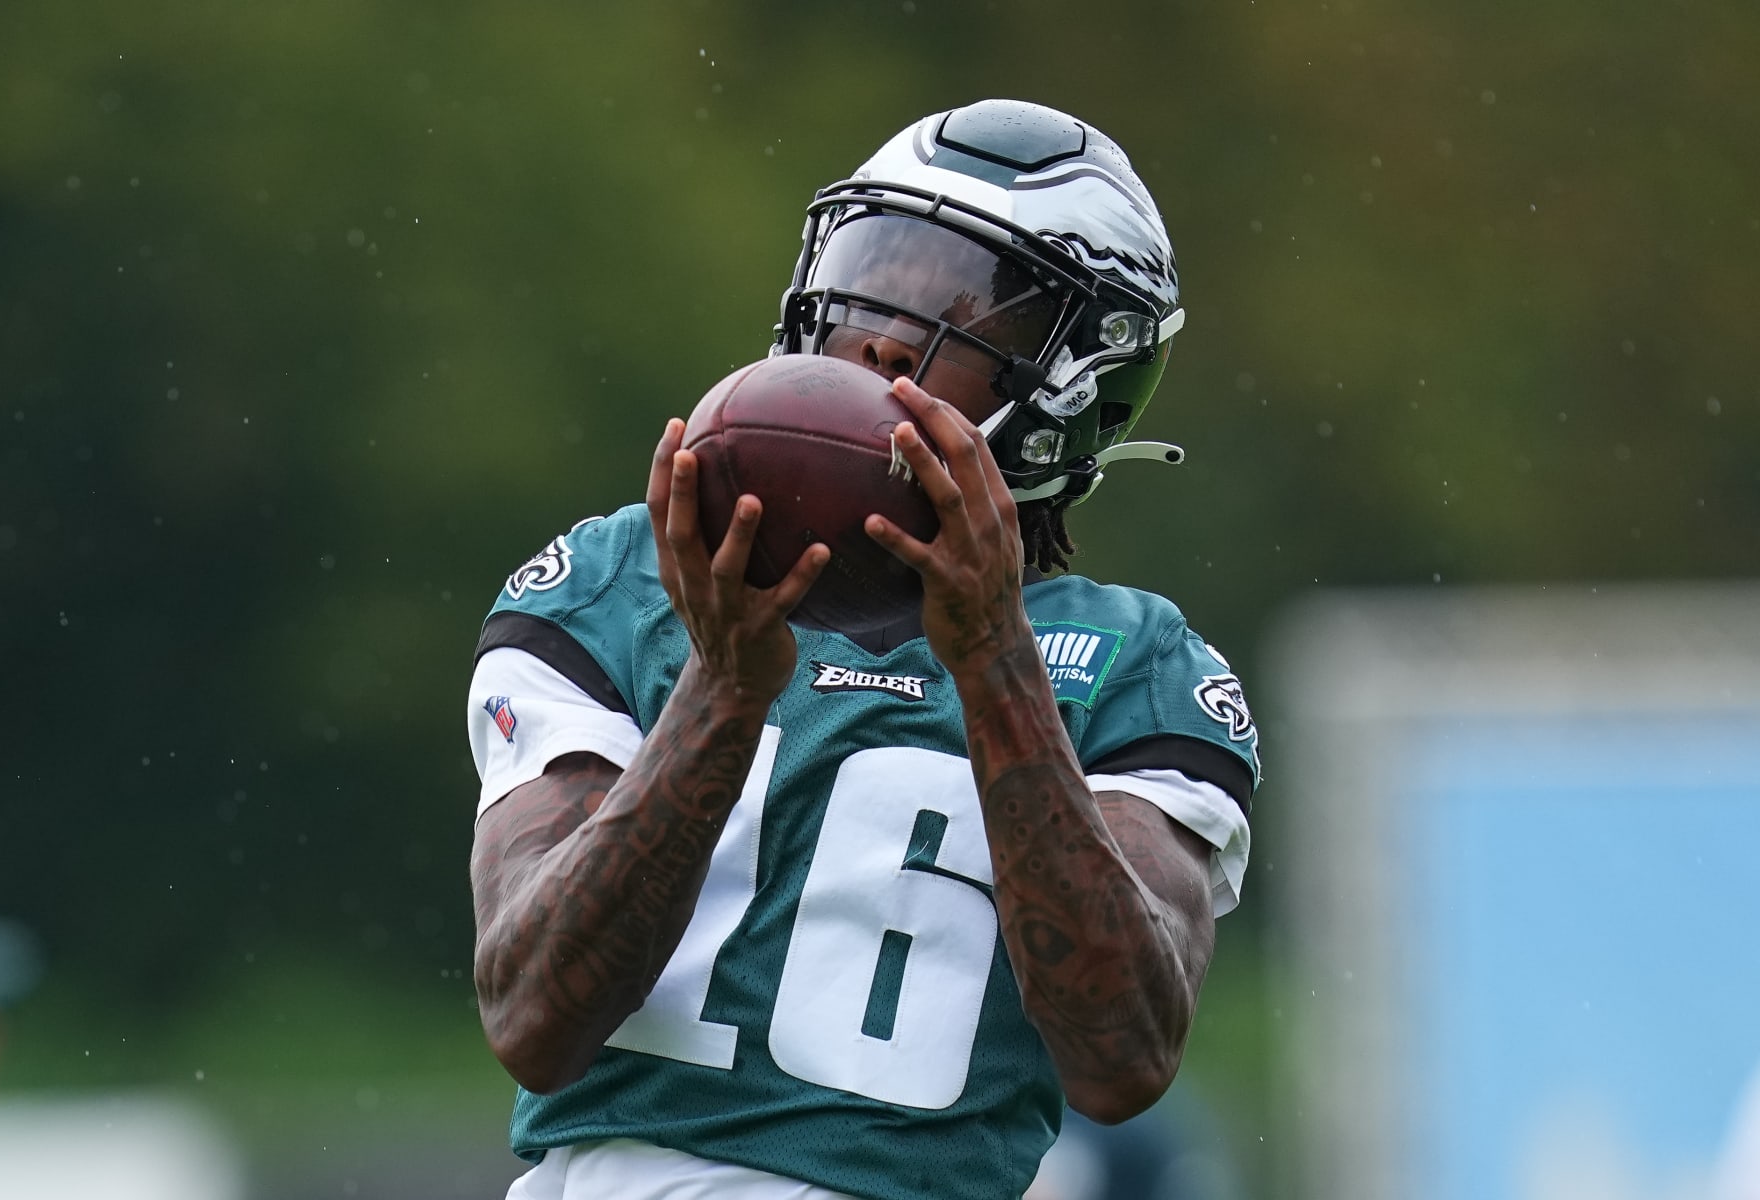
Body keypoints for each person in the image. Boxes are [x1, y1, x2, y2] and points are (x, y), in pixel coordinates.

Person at [466, 98, 1259, 1200]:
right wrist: (724, 694)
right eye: (875, 272)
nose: (883, 334)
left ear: (1075, 385)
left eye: (966, 308)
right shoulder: (620, 586)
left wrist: (994, 667)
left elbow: (1123, 1055)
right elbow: (531, 1016)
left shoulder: (1128, 662)